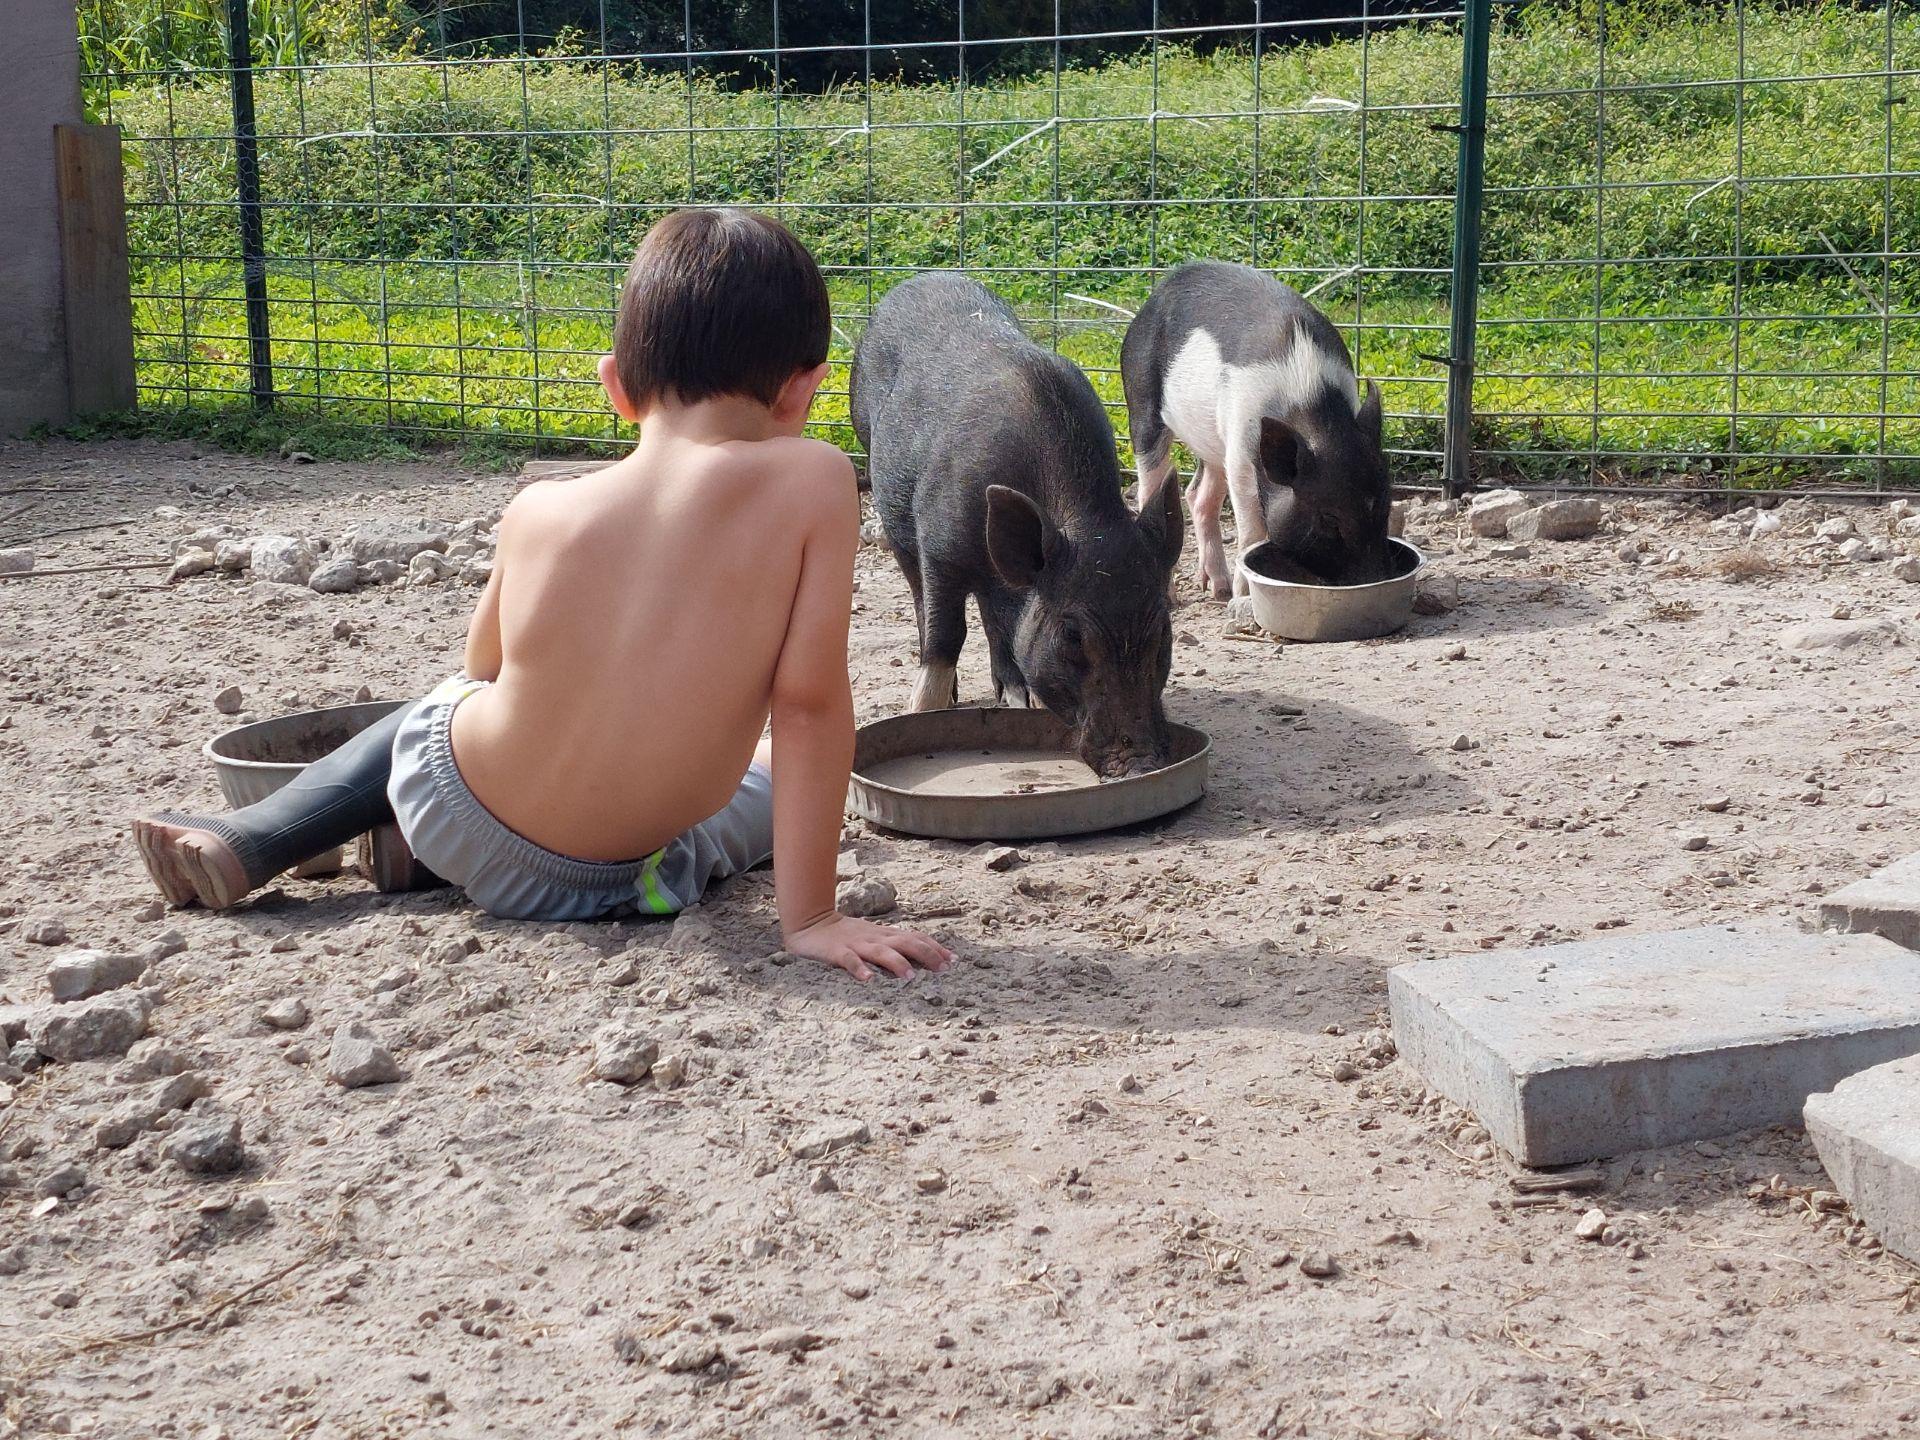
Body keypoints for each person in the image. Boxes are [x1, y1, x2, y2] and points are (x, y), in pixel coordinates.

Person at [133, 208, 953, 983]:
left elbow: (482, 667)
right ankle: (395, 851)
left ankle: (263, 837)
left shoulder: (538, 509)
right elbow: (809, 705)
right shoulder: (813, 477)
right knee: (767, 780)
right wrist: (808, 917)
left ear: (616, 387)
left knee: (442, 710)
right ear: (801, 391)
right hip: (621, 874)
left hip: (461, 818)